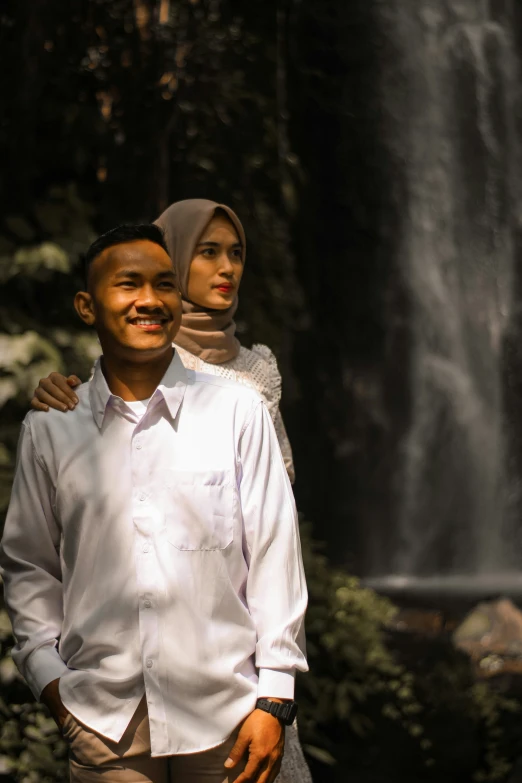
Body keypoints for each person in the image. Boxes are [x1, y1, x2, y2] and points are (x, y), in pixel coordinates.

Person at [3, 224, 308, 783]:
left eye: (165, 284)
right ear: (87, 306)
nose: (150, 299)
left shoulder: (237, 412)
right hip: (103, 721)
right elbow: (28, 566)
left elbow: (273, 556)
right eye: (128, 284)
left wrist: (275, 700)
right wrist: (51, 683)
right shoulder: (52, 429)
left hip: (228, 719)